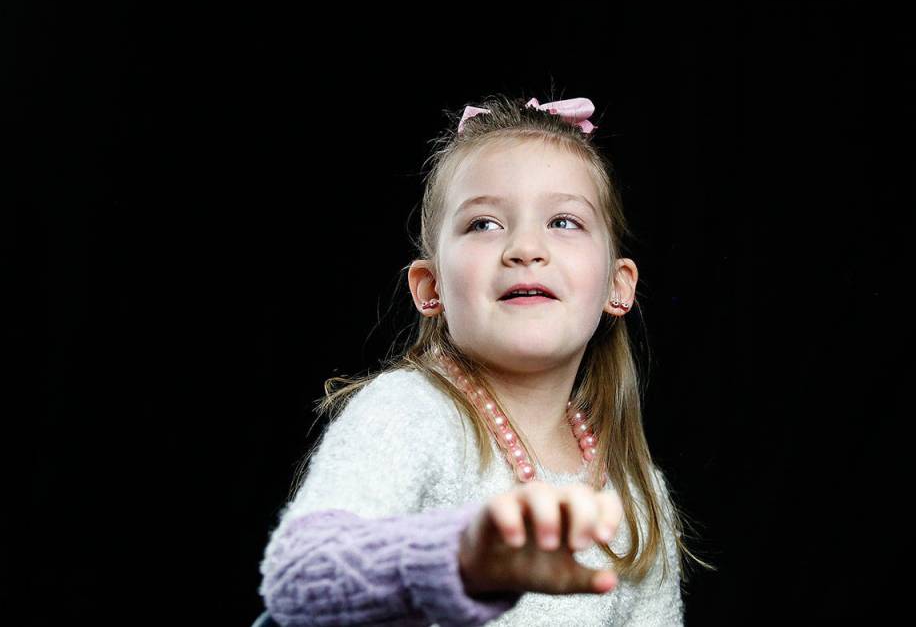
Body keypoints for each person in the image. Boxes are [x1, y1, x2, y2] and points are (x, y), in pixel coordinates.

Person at [256, 92, 714, 626]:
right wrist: (457, 558)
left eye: (564, 222)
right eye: (484, 224)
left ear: (618, 285)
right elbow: (299, 578)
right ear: (432, 287)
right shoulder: (409, 414)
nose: (524, 247)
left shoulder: (636, 492)